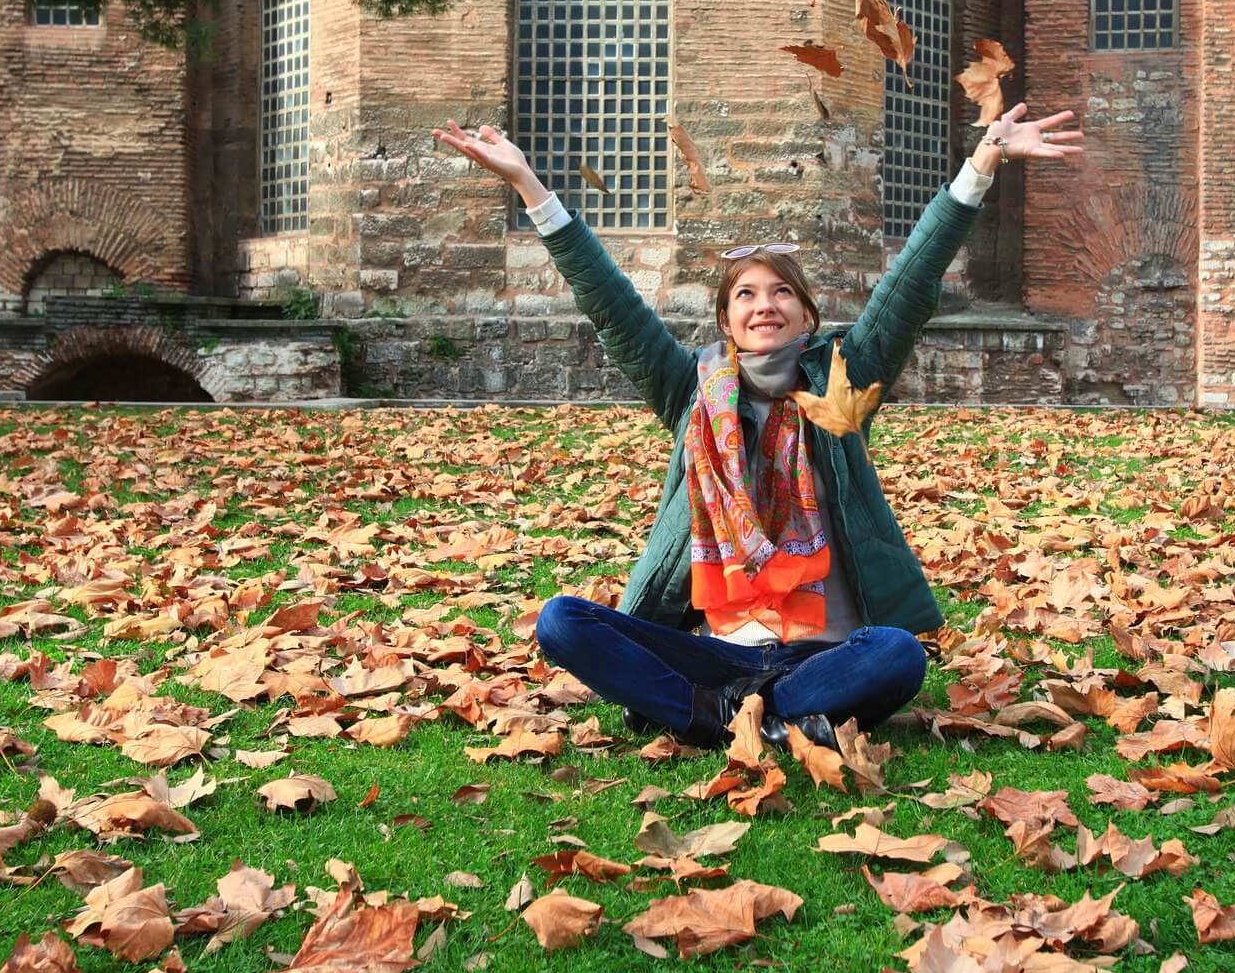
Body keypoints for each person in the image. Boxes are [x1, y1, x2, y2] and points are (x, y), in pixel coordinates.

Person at [432, 102, 1081, 751]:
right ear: (725, 321)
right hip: (713, 651)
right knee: (562, 621)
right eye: (745, 293)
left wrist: (982, 163)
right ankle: (756, 714)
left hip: (823, 650)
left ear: (806, 316)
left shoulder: (841, 386)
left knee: (897, 655)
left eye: (780, 293)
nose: (764, 304)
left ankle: (715, 713)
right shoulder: (690, 388)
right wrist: (529, 186)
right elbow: (609, 302)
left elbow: (909, 285)